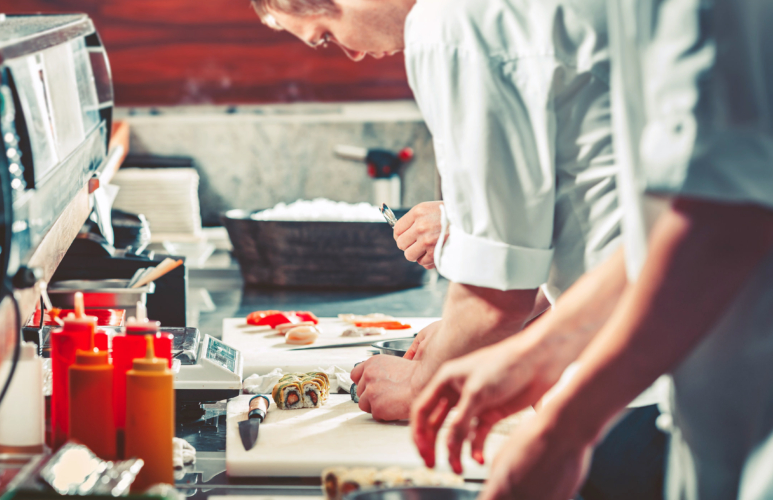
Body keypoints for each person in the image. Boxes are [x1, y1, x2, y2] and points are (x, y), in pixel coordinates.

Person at [412, 0, 773, 498]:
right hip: (700, 401)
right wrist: (536, 357)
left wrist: (563, 430)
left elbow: (723, 221)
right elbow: (669, 219)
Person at [250, 0, 624, 423]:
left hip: (640, 370)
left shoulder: (448, 25)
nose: (350, 54)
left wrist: (419, 384)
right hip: (659, 341)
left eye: (326, 35)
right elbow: (581, 205)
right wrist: (454, 334)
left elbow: (497, 294)